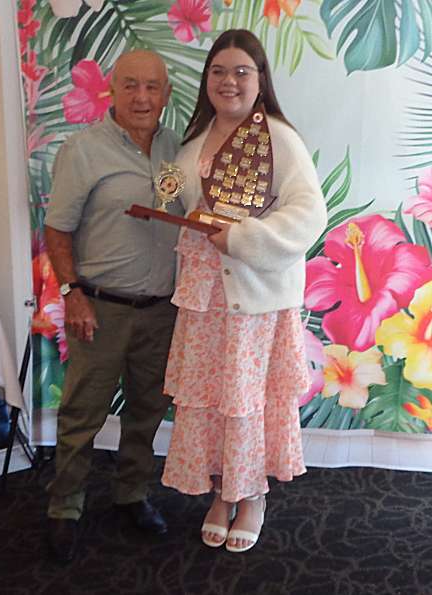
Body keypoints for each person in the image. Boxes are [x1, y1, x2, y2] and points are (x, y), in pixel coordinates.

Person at [161, 29, 327, 553]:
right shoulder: (193, 142)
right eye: (218, 71)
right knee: (213, 401)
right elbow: (183, 204)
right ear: (206, 79)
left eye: (241, 72)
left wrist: (241, 238)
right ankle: (221, 491)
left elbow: (309, 214)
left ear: (260, 80)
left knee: (246, 401)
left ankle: (251, 494)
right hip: (203, 297)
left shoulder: (279, 137)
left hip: (254, 301)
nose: (228, 81)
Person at [44, 49, 182, 563]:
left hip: (162, 311)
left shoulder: (180, 149)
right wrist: (71, 293)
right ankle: (65, 507)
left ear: (166, 94)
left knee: (147, 410)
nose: (141, 97)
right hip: (99, 309)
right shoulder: (82, 150)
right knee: (82, 413)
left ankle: (132, 494)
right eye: (130, 85)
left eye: (152, 86)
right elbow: (57, 230)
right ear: (112, 90)